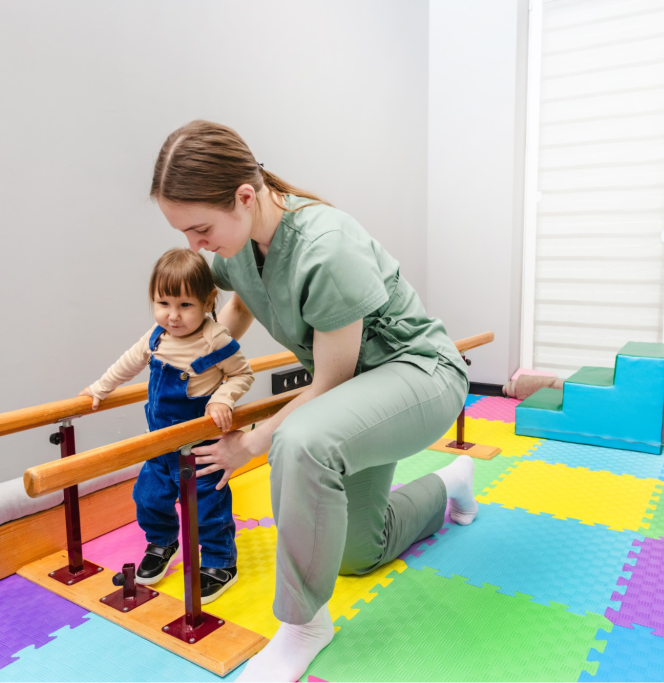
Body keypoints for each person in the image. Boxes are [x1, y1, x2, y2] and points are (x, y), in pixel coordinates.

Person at [150, 120, 479, 683]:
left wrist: (252, 443)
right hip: (357, 393)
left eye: (200, 229)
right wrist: (201, 357)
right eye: (184, 233)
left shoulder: (326, 247)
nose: (194, 247)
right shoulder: (241, 241)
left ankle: (303, 626)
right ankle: (449, 484)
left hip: (420, 374)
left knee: (301, 442)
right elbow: (239, 307)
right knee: (355, 554)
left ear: (244, 197)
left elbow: (328, 383)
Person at [80, 248, 254, 601]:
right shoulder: (156, 337)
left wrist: (222, 398)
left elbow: (242, 374)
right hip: (159, 444)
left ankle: (221, 561)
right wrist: (99, 389)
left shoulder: (214, 338)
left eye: (185, 305)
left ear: (207, 302)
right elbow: (126, 365)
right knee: (148, 498)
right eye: (163, 303)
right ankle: (161, 544)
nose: (173, 316)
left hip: (200, 449)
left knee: (208, 508)